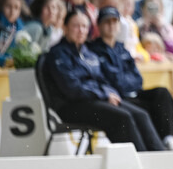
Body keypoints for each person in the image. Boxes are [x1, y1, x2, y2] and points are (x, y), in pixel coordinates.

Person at [46, 10, 165, 152]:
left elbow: (103, 80)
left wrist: (109, 93)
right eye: (76, 26)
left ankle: (160, 159)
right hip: (71, 105)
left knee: (141, 114)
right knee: (122, 117)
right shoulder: (57, 54)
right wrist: (104, 95)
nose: (81, 30)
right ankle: (141, 165)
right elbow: (71, 88)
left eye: (84, 26)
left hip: (94, 100)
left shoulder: (87, 53)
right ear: (65, 28)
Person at [88, 6, 173, 151]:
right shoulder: (93, 50)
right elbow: (108, 80)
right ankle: (157, 148)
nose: (111, 26)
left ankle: (169, 139)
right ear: (100, 25)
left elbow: (137, 79)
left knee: (162, 93)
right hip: (117, 99)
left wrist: (122, 81)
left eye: (114, 22)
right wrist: (123, 81)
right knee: (143, 112)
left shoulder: (122, 49)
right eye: (107, 22)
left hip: (132, 94)